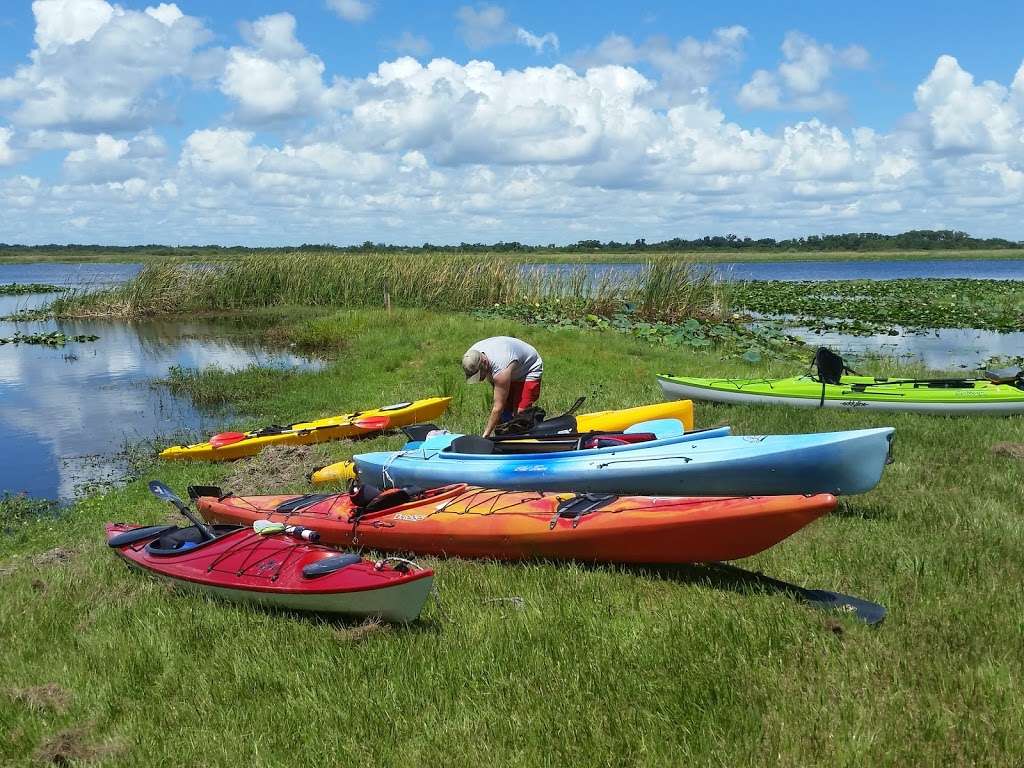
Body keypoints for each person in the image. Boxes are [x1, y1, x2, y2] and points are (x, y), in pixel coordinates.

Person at [462, 336, 543, 437]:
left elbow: (497, 407)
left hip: (529, 368)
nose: (479, 379)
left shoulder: (500, 368)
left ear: (484, 363)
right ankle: (507, 438)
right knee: (506, 412)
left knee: (520, 413)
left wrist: (485, 435)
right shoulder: (471, 356)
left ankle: (530, 437)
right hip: (510, 367)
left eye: (479, 375)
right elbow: (500, 401)